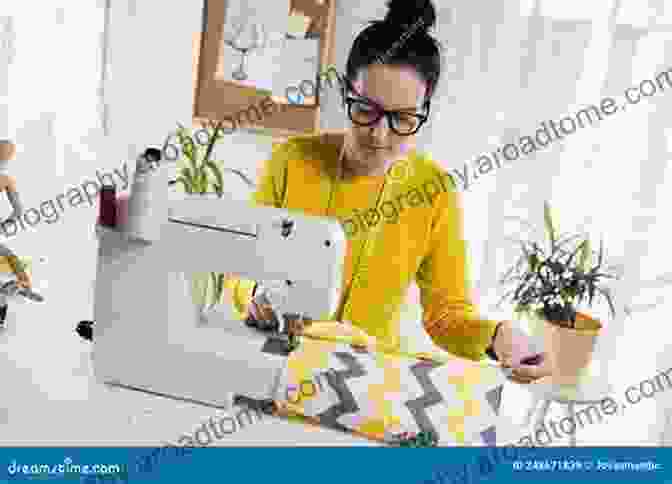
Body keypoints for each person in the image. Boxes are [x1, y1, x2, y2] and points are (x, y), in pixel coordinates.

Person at [226, 0, 549, 383]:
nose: (380, 135)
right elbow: (242, 267)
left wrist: (499, 337)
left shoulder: (434, 192)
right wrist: (252, 295)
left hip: (364, 386)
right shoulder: (291, 160)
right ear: (347, 93)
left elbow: (446, 316)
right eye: (366, 109)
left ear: (424, 110)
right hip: (275, 369)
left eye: (403, 118)